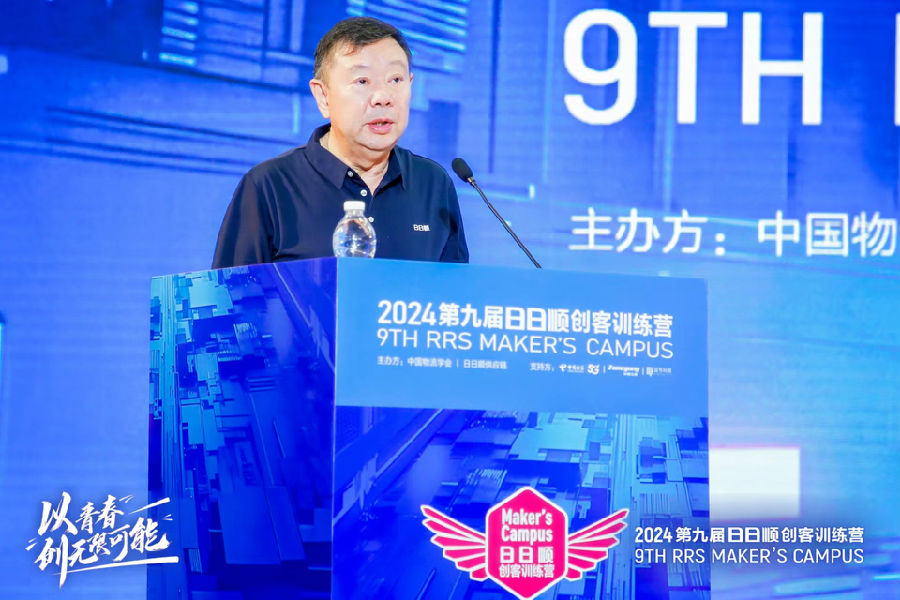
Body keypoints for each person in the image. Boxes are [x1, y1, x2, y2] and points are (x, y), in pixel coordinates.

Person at [212, 17, 469, 268]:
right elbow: (232, 294)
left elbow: (456, 292)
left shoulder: (433, 183)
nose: (383, 97)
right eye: (362, 81)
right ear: (323, 96)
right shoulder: (270, 186)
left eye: (395, 80)